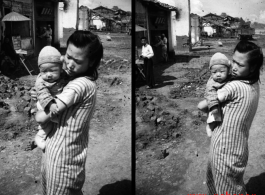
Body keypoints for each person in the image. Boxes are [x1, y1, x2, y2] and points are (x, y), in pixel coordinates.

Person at [32, 30, 103, 195]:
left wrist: (39, 109)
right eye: (68, 56)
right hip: (54, 152)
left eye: (77, 61)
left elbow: (41, 117)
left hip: (63, 161)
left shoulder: (80, 85)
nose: (70, 64)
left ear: (91, 62)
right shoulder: (69, 80)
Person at [199, 41, 263, 194]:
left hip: (224, 151)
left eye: (240, 65)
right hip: (239, 149)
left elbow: (201, 106)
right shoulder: (254, 84)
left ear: (252, 67)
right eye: (233, 61)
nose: (234, 67)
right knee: (232, 186)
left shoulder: (234, 87)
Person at [34, 46, 69, 150]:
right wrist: (51, 104)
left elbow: (70, 76)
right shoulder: (41, 81)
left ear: (60, 69)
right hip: (45, 103)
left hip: (56, 101)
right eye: (44, 71)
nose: (48, 75)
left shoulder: (63, 74)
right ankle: (40, 136)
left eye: (53, 71)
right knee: (48, 124)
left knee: (57, 123)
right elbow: (42, 93)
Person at [197, 52, 231, 137]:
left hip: (223, 101)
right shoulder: (212, 82)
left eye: (222, 71)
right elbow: (210, 94)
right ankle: (209, 127)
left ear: (228, 70)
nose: (218, 74)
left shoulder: (230, 78)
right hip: (213, 102)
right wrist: (213, 106)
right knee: (213, 117)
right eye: (214, 72)